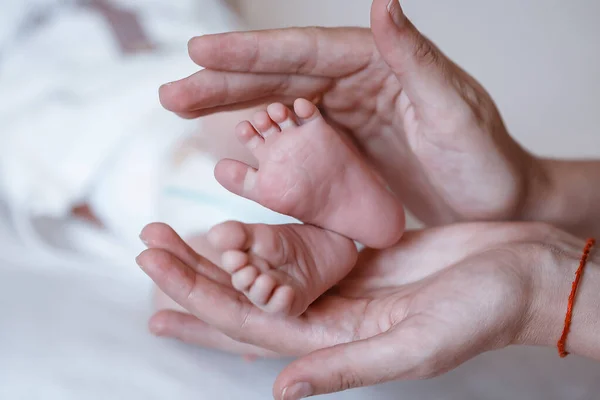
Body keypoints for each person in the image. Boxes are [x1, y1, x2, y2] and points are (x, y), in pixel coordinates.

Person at [135, 0, 600, 398]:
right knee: (189, 260)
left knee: (237, 114)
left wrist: (550, 286)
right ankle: (314, 244)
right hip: (212, 180)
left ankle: (305, 236)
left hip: (177, 151)